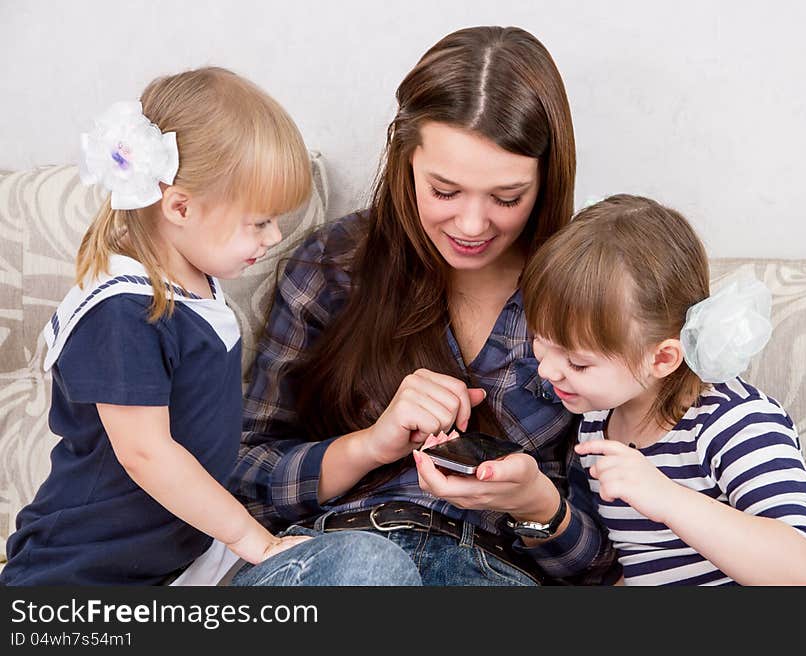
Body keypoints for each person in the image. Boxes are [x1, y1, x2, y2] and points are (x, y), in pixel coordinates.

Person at [231, 26, 616, 587]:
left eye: (507, 198)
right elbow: (240, 478)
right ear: (405, 159)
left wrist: (539, 505)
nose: (471, 225)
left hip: (492, 569)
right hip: (338, 553)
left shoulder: (591, 297)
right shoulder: (335, 265)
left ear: (546, 180)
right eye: (444, 191)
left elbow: (619, 557)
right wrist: (365, 447)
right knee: (371, 571)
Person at [0, 67, 313, 585]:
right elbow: (146, 453)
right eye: (259, 222)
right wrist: (252, 538)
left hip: (177, 557)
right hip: (84, 572)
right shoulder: (121, 310)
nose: (274, 236)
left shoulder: (198, 287)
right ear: (181, 207)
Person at [520, 193, 806, 585]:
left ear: (662, 359)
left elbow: (800, 571)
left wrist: (667, 497)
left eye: (578, 363)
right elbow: (620, 567)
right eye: (539, 339)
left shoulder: (735, 422)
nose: (547, 369)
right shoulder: (595, 423)